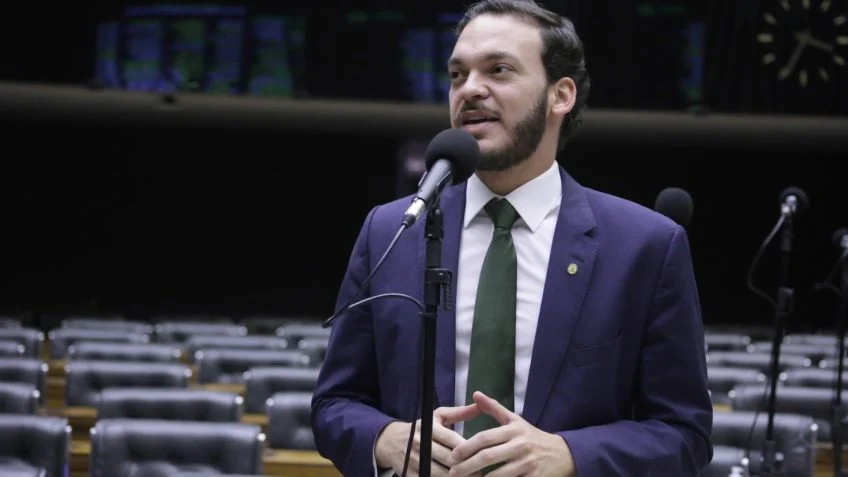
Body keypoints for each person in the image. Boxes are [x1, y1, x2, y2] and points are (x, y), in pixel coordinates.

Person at [311, 0, 713, 475]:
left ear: (560, 95)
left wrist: (570, 455)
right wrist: (385, 438)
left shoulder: (644, 246)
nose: (470, 89)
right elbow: (334, 404)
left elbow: (683, 434)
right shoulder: (392, 230)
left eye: (498, 70)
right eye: (458, 74)